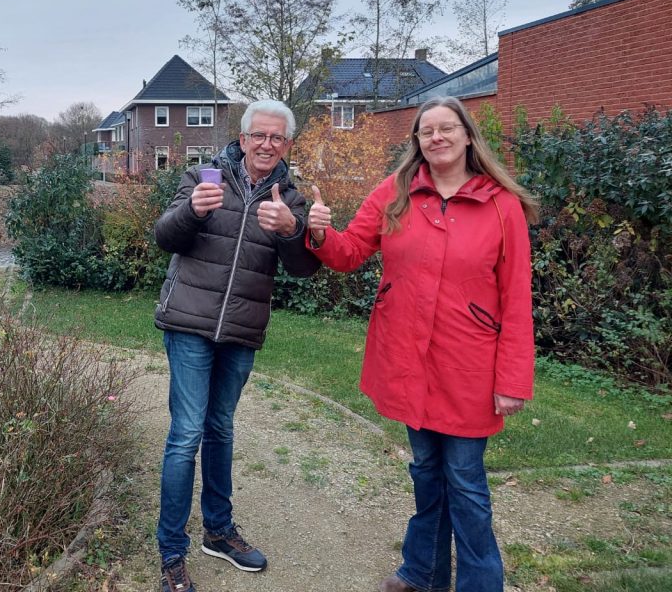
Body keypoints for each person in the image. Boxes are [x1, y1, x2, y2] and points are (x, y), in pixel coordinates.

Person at [306, 96, 538, 592]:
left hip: (469, 367)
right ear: (416, 141)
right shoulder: (396, 192)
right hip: (408, 359)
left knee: (467, 484)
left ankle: (480, 584)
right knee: (427, 472)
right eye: (426, 130)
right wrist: (321, 234)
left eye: (446, 128)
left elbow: (517, 296)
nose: (436, 137)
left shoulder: (501, 205)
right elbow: (349, 253)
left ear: (468, 135)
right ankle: (423, 574)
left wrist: (513, 379)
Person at [153, 99, 320, 592]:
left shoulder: (289, 198)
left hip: (242, 329)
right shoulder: (204, 178)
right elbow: (165, 237)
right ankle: (171, 553)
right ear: (242, 139)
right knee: (186, 435)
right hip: (189, 323)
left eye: (278, 138)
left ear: (287, 144)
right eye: (259, 136)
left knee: (221, 428)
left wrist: (293, 234)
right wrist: (191, 212)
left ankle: (219, 532)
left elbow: (304, 268)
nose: (268, 144)